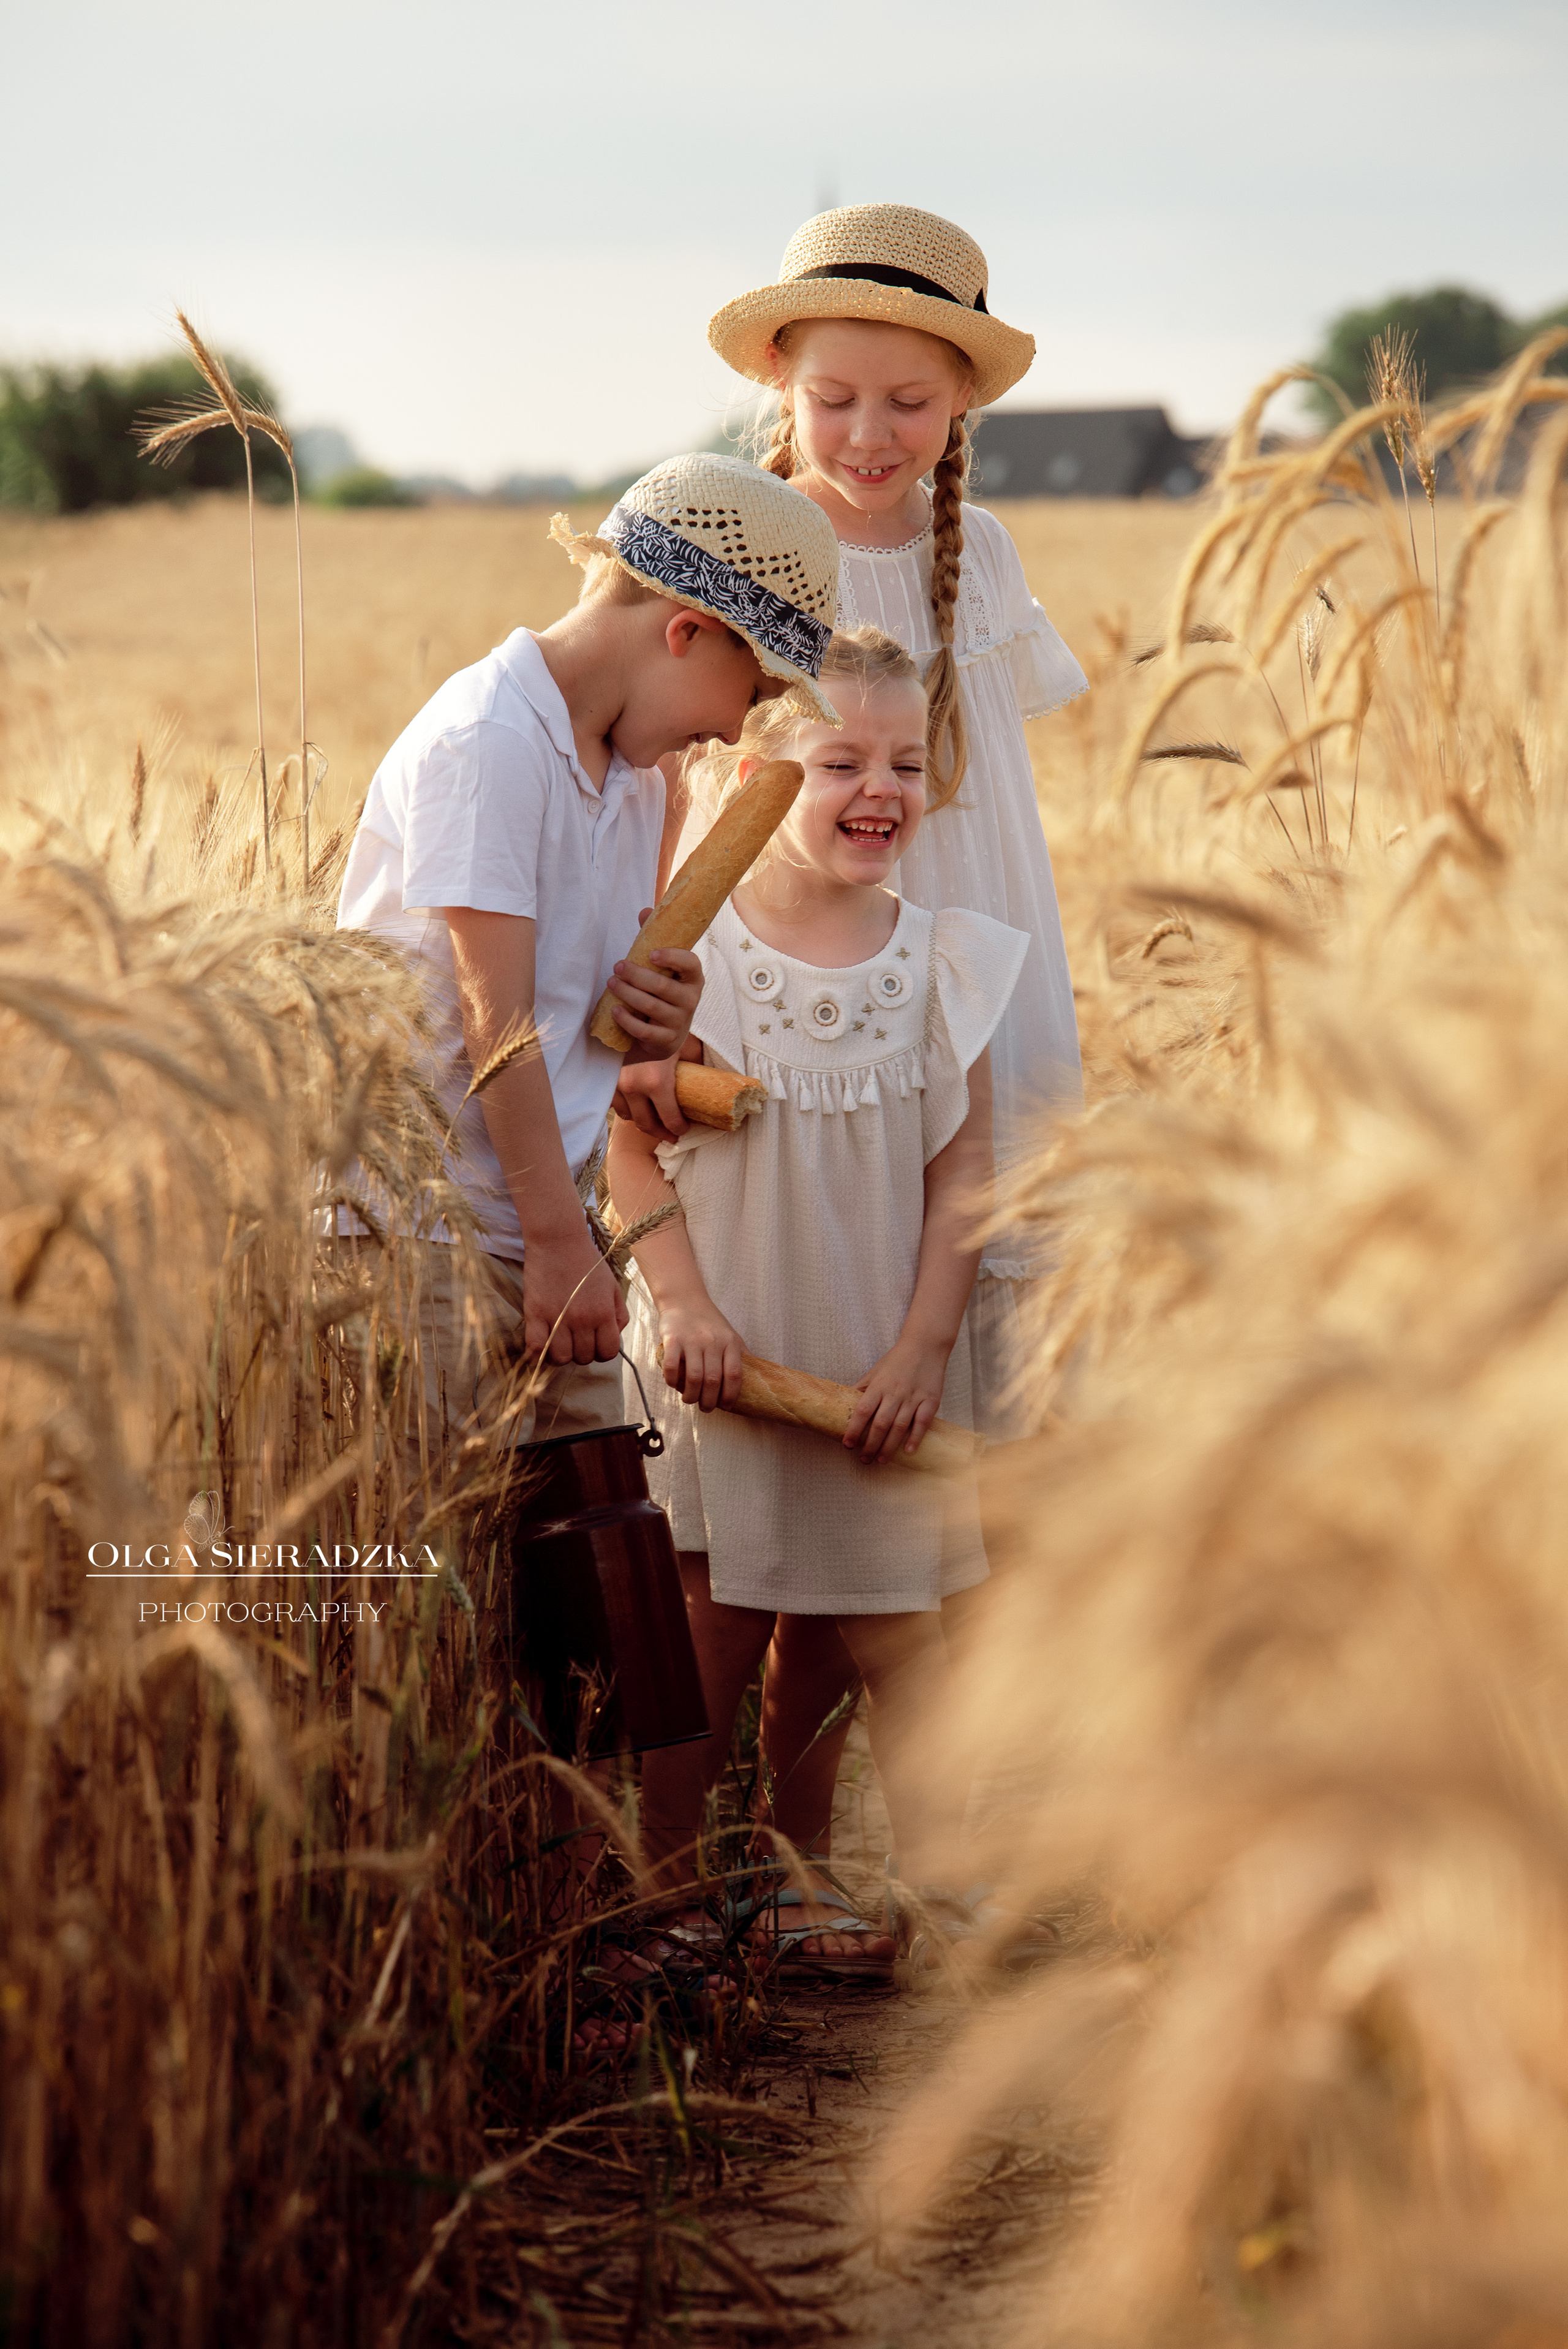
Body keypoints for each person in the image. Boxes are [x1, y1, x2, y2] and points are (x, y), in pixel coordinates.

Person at [701, 203, 1090, 1931]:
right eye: (837, 398)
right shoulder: (744, 537)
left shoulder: (976, 556)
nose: (869, 436)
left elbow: (988, 805)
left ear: (961, 413)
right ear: (780, 386)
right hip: (797, 1005)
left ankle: (952, 1834)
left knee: (964, 1456)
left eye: (910, 405)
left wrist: (999, 1003)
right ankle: (782, 1853)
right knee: (809, 1444)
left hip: (967, 977)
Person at [609, 627, 1026, 1978]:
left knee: (893, 1633)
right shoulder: (690, 960)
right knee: (713, 1626)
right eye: (841, 760)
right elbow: (627, 1149)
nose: (881, 788)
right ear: (753, 778)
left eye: (904, 763)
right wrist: (682, 1306)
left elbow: (962, 1173)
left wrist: (923, 1349)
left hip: (873, 1358)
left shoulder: (943, 963)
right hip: (727, 1351)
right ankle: (663, 1898)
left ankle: (892, 1884)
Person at [333, 452, 843, 1507]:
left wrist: (657, 1017)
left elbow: (595, 1022)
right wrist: (562, 1242)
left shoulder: (646, 778)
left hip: (548, 1226)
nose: (734, 728)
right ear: (685, 630)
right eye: (752, 688)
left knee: (582, 1556)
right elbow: (498, 1023)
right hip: (425, 1237)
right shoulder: (489, 741)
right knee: (431, 1551)